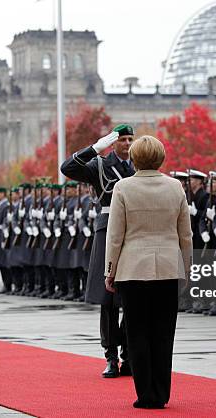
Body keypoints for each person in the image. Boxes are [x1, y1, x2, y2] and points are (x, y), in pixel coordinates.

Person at [104, 135, 192, 409]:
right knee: (164, 333)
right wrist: (187, 268)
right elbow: (185, 234)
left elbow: (115, 235)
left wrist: (110, 269)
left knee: (137, 332)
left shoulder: (123, 188)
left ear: (134, 158)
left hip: (133, 268)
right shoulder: (175, 187)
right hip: (166, 267)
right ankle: (162, 392)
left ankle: (146, 394)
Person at [60, 124, 135, 378]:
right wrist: (94, 149)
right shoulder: (101, 165)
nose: (127, 144)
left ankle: (129, 355)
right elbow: (67, 168)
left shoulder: (140, 167)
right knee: (109, 299)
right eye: (123, 140)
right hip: (107, 230)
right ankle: (111, 356)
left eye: (130, 139)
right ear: (114, 143)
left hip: (133, 233)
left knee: (132, 298)